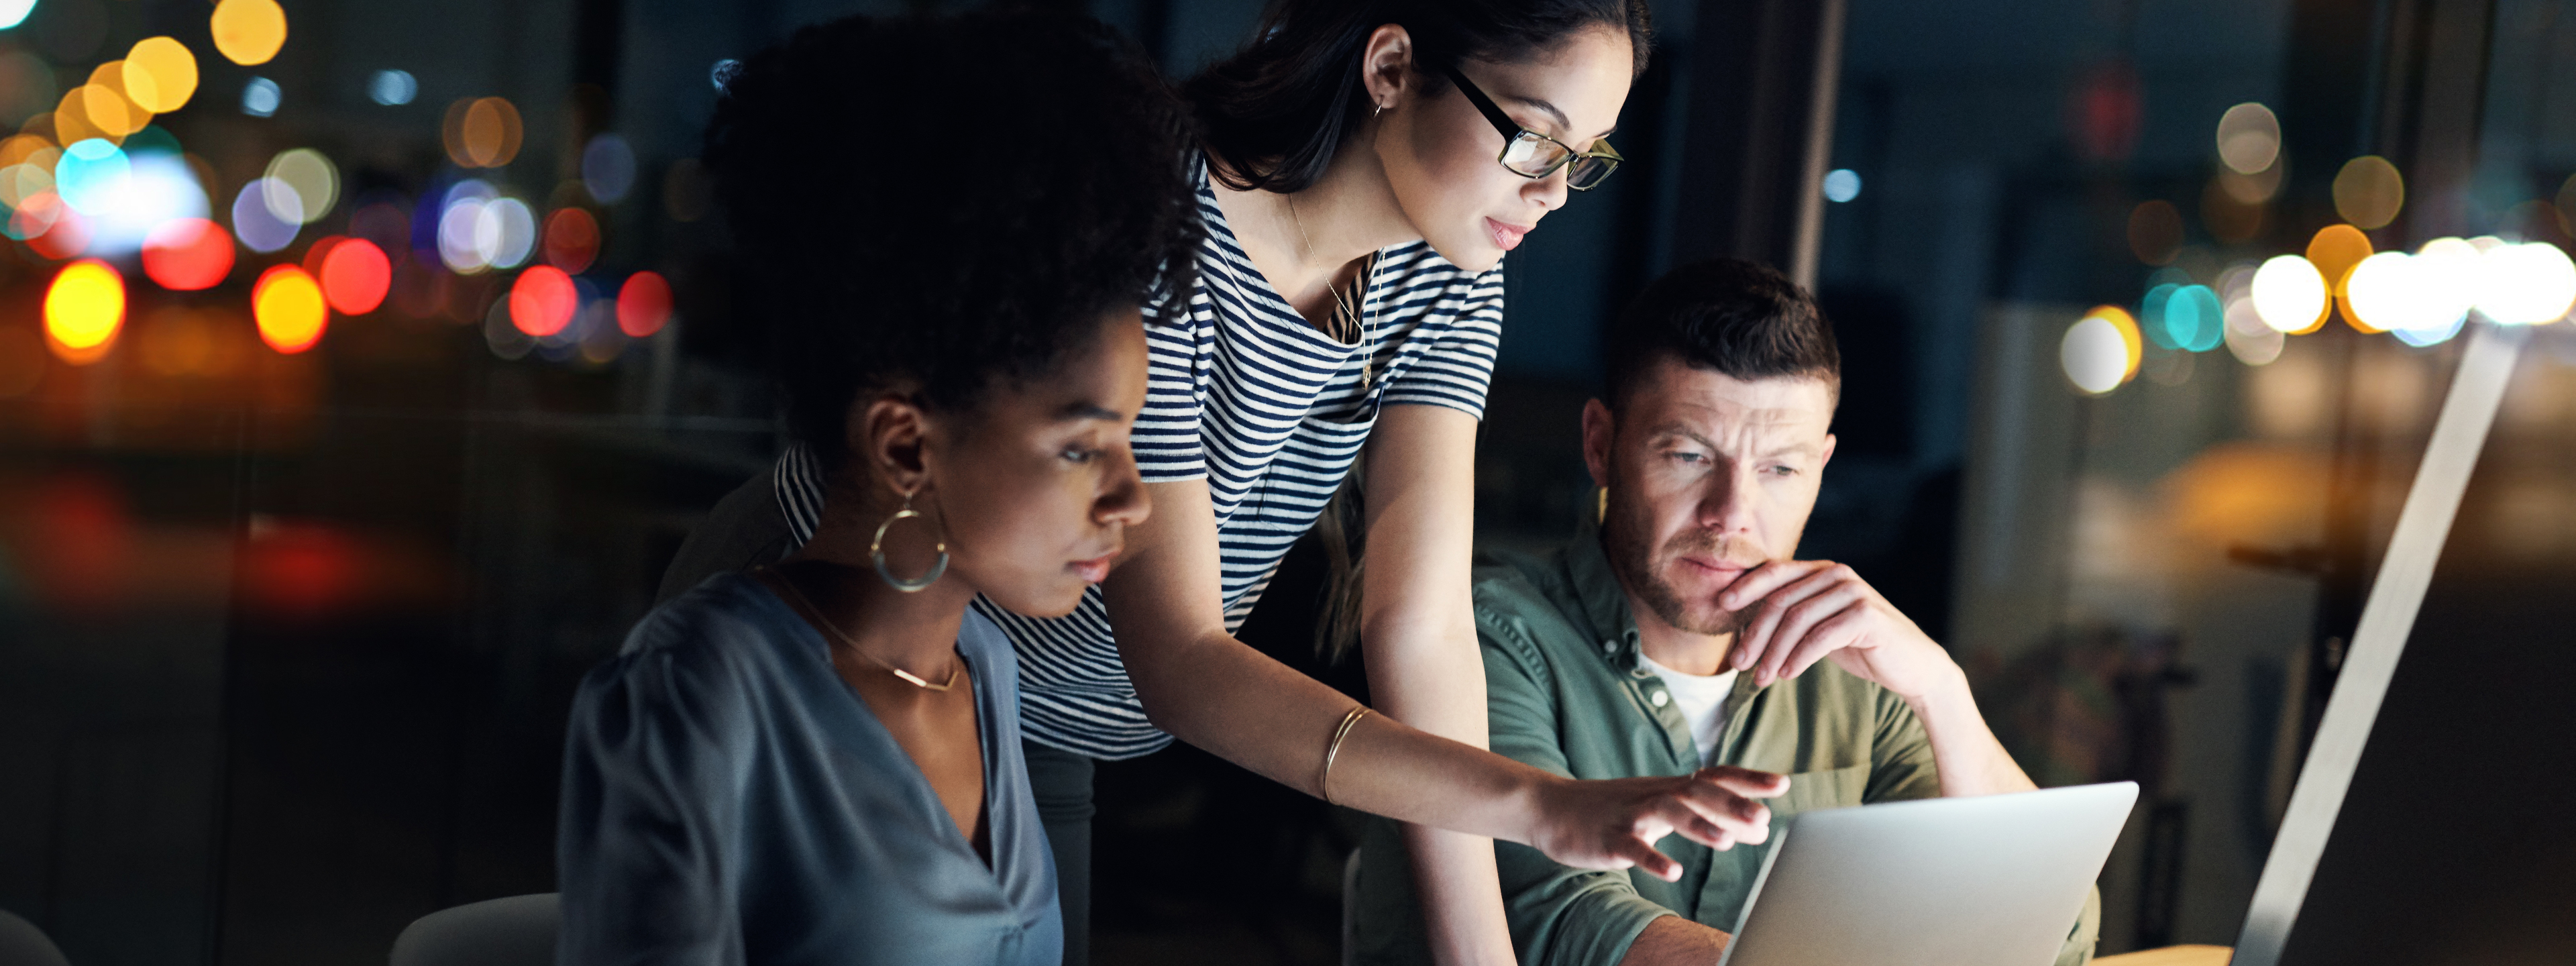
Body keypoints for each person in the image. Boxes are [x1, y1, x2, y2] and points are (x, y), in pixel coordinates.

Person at [655, 3, 1776, 965]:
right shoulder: (1156, 220)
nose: (1558, 193)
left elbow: (1422, 629)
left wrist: (1475, 953)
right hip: (856, 632)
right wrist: (1541, 804)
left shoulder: (1451, 278)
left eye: (1588, 159)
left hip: (1048, 717)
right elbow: (1181, 658)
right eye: (1535, 141)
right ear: (1392, 69)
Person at [555, 11, 1199, 963]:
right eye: (1080, 450)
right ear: (905, 448)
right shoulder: (696, 695)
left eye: (1131, 442)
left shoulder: (985, 667)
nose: (1134, 502)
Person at [1349, 258, 2101, 965]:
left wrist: (1942, 690)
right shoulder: (1482, 635)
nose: (1731, 515)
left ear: (1821, 471)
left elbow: (2059, 932)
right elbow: (1554, 918)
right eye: (1689, 456)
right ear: (1602, 444)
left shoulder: (1861, 676)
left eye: (1779, 469)